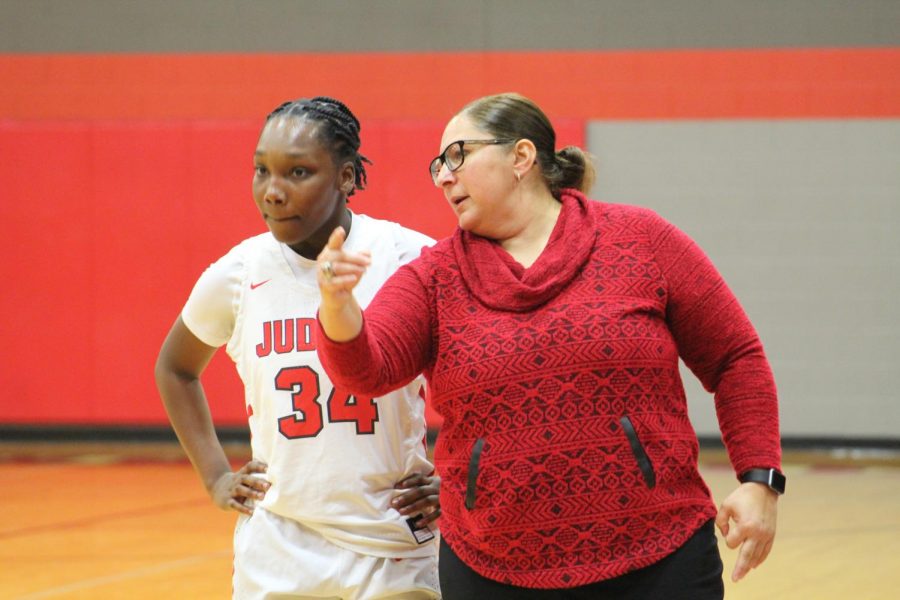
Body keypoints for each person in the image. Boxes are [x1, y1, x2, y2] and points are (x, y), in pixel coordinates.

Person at [314, 92, 783, 599]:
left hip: (660, 558)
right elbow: (367, 370)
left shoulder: (640, 238)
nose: (444, 177)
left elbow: (736, 357)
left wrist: (761, 479)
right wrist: (338, 309)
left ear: (521, 157)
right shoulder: (433, 278)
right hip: (490, 570)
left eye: (458, 156)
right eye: (438, 166)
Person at [155, 97, 442, 599]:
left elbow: (483, 372)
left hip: (393, 544)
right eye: (261, 170)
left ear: (347, 177)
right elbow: (175, 368)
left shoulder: (408, 259)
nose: (272, 192)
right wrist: (217, 476)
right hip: (278, 547)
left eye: (298, 172)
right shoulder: (239, 273)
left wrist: (454, 478)